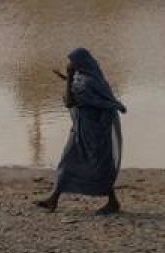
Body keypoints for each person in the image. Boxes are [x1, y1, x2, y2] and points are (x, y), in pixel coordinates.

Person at [35, 48, 127, 215]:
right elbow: (82, 91)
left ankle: (113, 202)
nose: (69, 64)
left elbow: (70, 102)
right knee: (68, 161)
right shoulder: (92, 78)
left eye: (72, 62)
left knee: (98, 167)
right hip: (82, 130)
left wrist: (69, 77)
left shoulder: (86, 83)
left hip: (94, 134)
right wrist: (65, 78)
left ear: (80, 64)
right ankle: (53, 199)